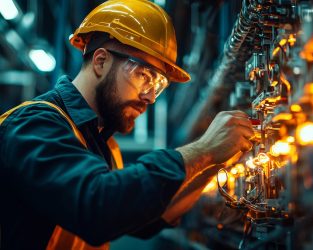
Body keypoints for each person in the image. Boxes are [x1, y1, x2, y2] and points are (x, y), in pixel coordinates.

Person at [0, 0, 254, 249]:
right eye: (144, 75)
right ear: (100, 61)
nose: (150, 97)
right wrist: (204, 150)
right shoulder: (33, 125)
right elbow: (97, 207)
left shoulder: (104, 147)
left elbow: (147, 221)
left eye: (158, 86)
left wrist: (215, 162)